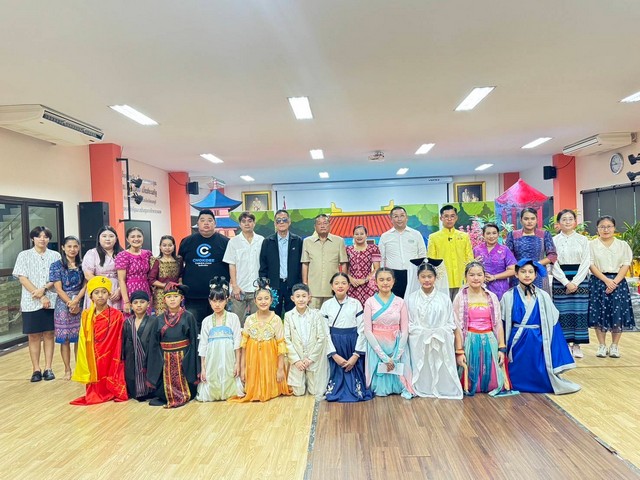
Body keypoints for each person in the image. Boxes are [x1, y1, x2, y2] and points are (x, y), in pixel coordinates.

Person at [502, 259, 580, 394]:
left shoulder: (543, 296)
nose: (527, 275)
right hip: (516, 339)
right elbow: (502, 322)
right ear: (516, 274)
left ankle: (539, 382)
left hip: (538, 338)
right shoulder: (508, 296)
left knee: (538, 364)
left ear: (535, 275)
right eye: (523, 272)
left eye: (530, 272)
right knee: (517, 367)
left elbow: (553, 321)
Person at [452, 262, 516, 397]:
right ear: (465, 276)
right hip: (470, 341)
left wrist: (501, 348)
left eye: (479, 275)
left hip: (490, 340)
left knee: (494, 382)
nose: (476, 278)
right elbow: (456, 325)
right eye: (472, 275)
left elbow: (498, 323)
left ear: (484, 276)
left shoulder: (491, 296)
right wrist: (459, 351)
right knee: (470, 381)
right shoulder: (460, 297)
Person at [406, 262, 463, 400]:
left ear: (435, 277)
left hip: (441, 339)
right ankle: (422, 387)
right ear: (418, 278)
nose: (426, 280)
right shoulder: (411, 299)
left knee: (441, 364)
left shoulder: (444, 298)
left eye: (430, 276)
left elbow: (450, 323)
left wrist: (438, 332)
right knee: (423, 365)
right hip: (420, 340)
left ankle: (444, 388)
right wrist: (424, 332)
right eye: (423, 276)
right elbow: (409, 323)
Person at [229, 279, 292, 402]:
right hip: (253, 362)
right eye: (260, 299)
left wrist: (280, 369)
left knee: (271, 391)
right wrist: (243, 368)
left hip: (270, 362)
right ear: (255, 301)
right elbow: (244, 347)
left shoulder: (276, 319)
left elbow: (281, 346)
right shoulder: (249, 320)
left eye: (266, 298)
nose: (263, 302)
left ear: (271, 300)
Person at [13, 226, 62, 382]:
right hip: (31, 301)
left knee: (49, 334)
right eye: (39, 236)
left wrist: (44, 290)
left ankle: (48, 368)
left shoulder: (55, 255)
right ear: (33, 238)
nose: (42, 239)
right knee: (33, 336)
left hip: (51, 300)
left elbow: (56, 277)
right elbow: (22, 278)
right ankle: (36, 369)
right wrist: (40, 295)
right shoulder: (24, 255)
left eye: (46, 236)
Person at [71, 276, 128, 405]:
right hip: (92, 351)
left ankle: (111, 390)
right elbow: (83, 337)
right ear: (91, 296)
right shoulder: (86, 315)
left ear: (109, 294)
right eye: (96, 292)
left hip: (111, 352)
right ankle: (95, 392)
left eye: (104, 292)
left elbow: (120, 337)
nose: (100, 296)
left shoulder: (117, 315)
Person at [321, 272, 373, 403]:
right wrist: (333, 354)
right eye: (336, 283)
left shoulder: (356, 303)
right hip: (334, 343)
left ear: (349, 286)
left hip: (352, 343)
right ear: (332, 286)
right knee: (335, 383)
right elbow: (324, 332)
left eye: (344, 283)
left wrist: (356, 355)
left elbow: (362, 330)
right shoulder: (326, 305)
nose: (340, 286)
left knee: (356, 387)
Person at [588, 216, 635, 358]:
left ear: (614, 228)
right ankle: (602, 345)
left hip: (618, 282)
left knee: (618, 314)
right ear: (597, 229)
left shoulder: (623, 245)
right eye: (602, 227)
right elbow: (590, 264)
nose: (606, 229)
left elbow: (626, 264)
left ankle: (614, 346)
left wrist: (614, 282)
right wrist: (606, 281)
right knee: (598, 314)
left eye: (609, 226)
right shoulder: (591, 245)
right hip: (598, 281)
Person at [362, 268, 414, 399]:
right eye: (381, 280)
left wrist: (396, 355)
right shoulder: (370, 302)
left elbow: (405, 329)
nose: (385, 283)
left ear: (393, 281)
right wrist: (384, 357)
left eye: (388, 279)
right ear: (375, 282)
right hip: (376, 345)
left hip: (396, 345)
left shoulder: (400, 302)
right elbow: (367, 330)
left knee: (399, 377)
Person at [146, 283, 200, 408]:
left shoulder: (189, 317)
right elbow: (154, 343)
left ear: (181, 298)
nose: (172, 300)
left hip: (184, 355)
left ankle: (185, 394)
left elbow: (194, 340)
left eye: (175, 296)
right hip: (165, 356)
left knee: (184, 380)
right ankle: (167, 396)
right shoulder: (158, 319)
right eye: (169, 297)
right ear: (164, 299)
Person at [178, 209, 230, 329]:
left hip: (218, 296)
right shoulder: (187, 241)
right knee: (194, 329)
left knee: (219, 328)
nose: (206, 223)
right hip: (193, 295)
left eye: (210, 220)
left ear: (215, 223)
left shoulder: (226, 242)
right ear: (197, 223)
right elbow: (180, 263)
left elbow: (232, 266)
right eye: (202, 220)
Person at [551, 210, 591, 357]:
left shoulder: (583, 240)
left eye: (570, 219)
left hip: (580, 279)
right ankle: (566, 345)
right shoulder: (553, 240)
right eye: (564, 219)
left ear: (575, 222)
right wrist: (565, 282)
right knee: (562, 312)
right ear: (558, 222)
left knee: (579, 312)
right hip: (560, 279)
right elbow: (552, 262)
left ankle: (578, 345)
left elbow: (586, 261)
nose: (567, 222)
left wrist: (575, 282)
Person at [196, 278, 244, 402]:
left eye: (220, 301)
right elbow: (203, 345)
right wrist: (203, 368)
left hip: (229, 357)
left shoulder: (233, 318)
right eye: (214, 301)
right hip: (212, 358)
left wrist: (237, 363)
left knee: (230, 376)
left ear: (227, 300)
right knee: (213, 377)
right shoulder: (206, 321)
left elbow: (237, 342)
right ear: (209, 301)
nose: (217, 304)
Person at [49, 236, 86, 380]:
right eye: (69, 246)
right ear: (63, 248)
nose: (72, 249)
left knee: (79, 338)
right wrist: (70, 302)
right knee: (64, 339)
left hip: (80, 300)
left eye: (75, 246)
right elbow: (58, 289)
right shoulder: (56, 265)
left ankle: (79, 368)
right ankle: (67, 369)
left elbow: (85, 285)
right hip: (63, 304)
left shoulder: (83, 264)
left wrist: (77, 301)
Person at [284, 283, 329, 397]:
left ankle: (311, 377)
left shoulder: (315, 315)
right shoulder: (289, 316)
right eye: (298, 296)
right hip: (297, 357)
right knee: (298, 392)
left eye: (304, 296)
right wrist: (296, 360)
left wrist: (310, 359)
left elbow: (321, 338)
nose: (301, 299)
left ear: (309, 298)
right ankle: (299, 375)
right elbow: (287, 339)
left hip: (311, 357)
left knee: (315, 391)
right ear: (292, 298)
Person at [259, 209, 304, 317]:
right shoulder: (268, 241)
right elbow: (263, 265)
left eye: (284, 220)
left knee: (293, 316)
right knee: (273, 316)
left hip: (293, 285)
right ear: (275, 223)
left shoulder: (297, 241)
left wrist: (301, 284)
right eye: (278, 220)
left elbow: (302, 264)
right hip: (274, 285)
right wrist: (264, 285)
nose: (281, 222)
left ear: (289, 222)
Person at [223, 211, 264, 326]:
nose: (247, 224)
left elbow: (265, 263)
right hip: (239, 289)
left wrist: (262, 285)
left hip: (257, 288)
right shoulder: (233, 242)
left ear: (254, 223)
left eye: (250, 221)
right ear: (240, 224)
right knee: (237, 322)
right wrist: (234, 286)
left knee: (258, 322)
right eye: (244, 221)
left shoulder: (261, 240)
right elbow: (232, 264)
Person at [301, 214, 348, 309]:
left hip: (332, 289)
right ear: (315, 227)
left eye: (325, 223)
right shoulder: (307, 242)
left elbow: (344, 263)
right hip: (313, 290)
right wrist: (305, 285)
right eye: (319, 224)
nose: (322, 226)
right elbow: (305, 264)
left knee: (331, 315)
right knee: (313, 315)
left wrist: (343, 283)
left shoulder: (339, 241)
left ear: (330, 225)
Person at [427, 205, 474, 300]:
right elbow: (431, 260)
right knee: (444, 306)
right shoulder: (434, 237)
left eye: (452, 216)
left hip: (461, 279)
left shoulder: (464, 236)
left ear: (456, 218)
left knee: (460, 306)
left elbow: (469, 258)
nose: (449, 219)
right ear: (441, 218)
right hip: (442, 281)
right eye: (446, 216)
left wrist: (469, 276)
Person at [379, 206, 427, 298]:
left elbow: (422, 254)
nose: (399, 219)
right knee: (395, 302)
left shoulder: (416, 234)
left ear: (406, 217)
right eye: (396, 216)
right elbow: (382, 258)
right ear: (391, 219)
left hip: (413, 273)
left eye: (402, 215)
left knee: (413, 300)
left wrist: (422, 272)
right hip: (393, 275)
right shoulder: (385, 236)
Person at [506, 208, 557, 291]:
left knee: (540, 298)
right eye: (526, 219)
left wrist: (536, 264)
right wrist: (520, 267)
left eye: (532, 219)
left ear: (536, 220)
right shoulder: (512, 235)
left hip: (538, 273)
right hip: (518, 274)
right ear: (521, 220)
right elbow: (508, 256)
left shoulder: (544, 234)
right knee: (518, 297)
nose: (529, 221)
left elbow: (552, 255)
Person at [122, 290, 155, 401]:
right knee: (131, 375)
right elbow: (124, 342)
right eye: (135, 302)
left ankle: (149, 391)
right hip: (132, 358)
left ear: (148, 304)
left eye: (142, 302)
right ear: (131, 305)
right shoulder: (127, 322)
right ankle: (135, 391)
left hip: (148, 357)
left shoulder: (154, 321)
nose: (139, 305)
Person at [82, 226, 124, 310]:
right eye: (104, 236)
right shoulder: (92, 253)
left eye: (111, 236)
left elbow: (128, 275)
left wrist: (120, 290)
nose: (107, 239)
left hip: (117, 291)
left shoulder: (123, 254)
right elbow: (88, 275)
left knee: (116, 316)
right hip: (98, 290)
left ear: (116, 239)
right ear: (99, 239)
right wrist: (105, 290)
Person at [473, 222, 516, 300]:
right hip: (479, 288)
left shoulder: (504, 250)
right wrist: (474, 263)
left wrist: (494, 277)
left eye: (494, 233)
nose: (491, 236)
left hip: (500, 289)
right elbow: (469, 269)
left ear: (498, 234)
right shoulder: (477, 250)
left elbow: (513, 270)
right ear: (483, 235)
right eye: (488, 233)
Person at [116, 227, 153, 315]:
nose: (136, 239)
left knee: (146, 318)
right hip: (130, 290)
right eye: (132, 237)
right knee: (131, 318)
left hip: (145, 289)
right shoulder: (122, 255)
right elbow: (121, 280)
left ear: (143, 238)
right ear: (127, 239)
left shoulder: (148, 254)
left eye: (139, 236)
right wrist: (126, 301)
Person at [148, 235, 183, 315]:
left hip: (175, 292)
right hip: (161, 294)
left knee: (176, 315)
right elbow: (151, 280)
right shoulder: (156, 261)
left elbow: (181, 274)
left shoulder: (179, 260)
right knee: (162, 317)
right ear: (160, 247)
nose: (167, 248)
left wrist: (180, 283)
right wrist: (166, 285)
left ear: (174, 246)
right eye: (164, 245)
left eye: (170, 245)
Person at [346, 225, 381, 305]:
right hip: (352, 284)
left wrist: (365, 280)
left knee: (368, 308)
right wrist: (350, 278)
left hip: (368, 284)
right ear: (353, 236)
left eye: (362, 234)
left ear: (366, 235)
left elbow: (377, 269)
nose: (359, 236)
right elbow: (345, 268)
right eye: (356, 234)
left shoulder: (373, 248)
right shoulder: (348, 249)